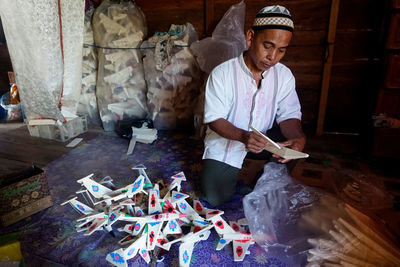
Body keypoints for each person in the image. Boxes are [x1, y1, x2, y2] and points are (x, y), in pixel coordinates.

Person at [201, 5, 306, 207]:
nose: (273, 56)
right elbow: (214, 120)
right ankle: (233, 173)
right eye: (267, 46)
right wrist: (243, 137)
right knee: (215, 198)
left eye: (281, 50)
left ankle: (262, 178)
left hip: (263, 140)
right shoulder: (222, 74)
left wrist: (297, 138)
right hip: (228, 140)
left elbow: (289, 115)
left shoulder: (283, 75)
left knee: (291, 152)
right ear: (250, 38)